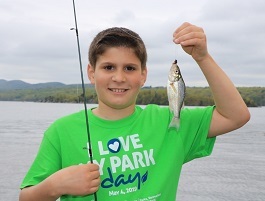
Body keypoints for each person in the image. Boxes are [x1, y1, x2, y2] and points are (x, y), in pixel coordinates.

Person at [19, 22, 250, 201]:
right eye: (108, 67)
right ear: (91, 73)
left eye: (129, 68)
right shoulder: (61, 131)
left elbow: (236, 116)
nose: (119, 77)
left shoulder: (168, 121)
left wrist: (202, 57)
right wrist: (54, 186)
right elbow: (26, 197)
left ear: (143, 75)